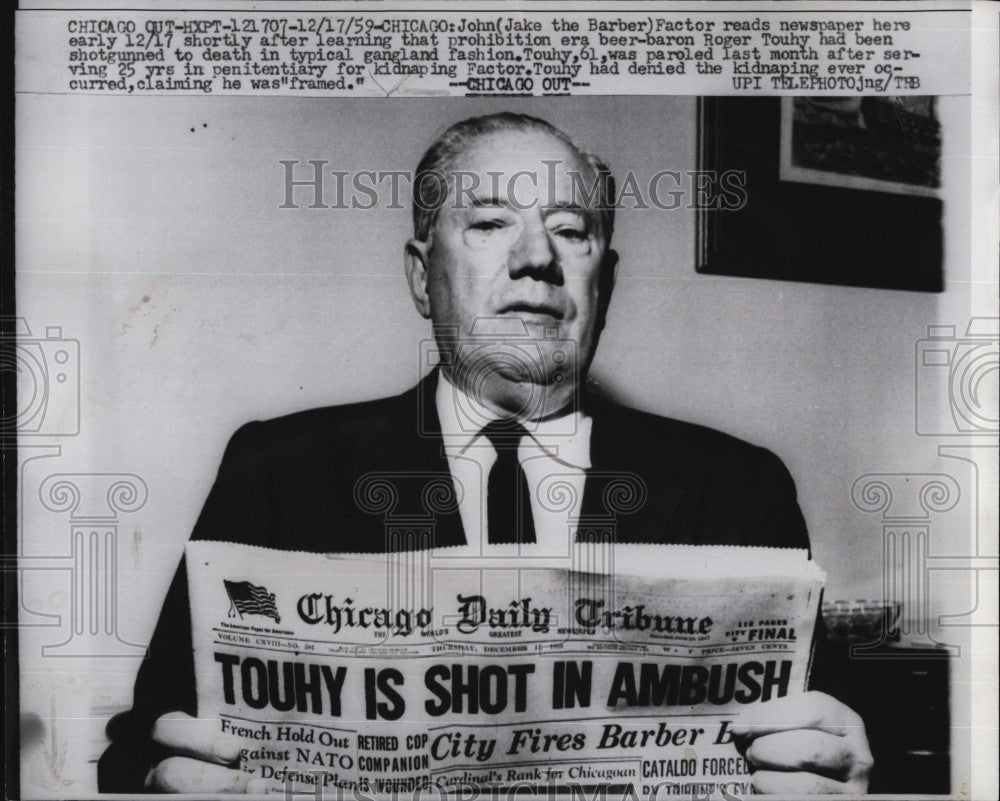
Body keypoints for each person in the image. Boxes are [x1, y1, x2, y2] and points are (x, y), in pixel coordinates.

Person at [98, 112, 872, 794]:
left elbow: (822, 746)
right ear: (420, 275)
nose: (538, 256)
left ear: (607, 281)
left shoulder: (740, 489)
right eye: (490, 222)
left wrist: (843, 773)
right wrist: (160, 777)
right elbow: (138, 748)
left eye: (572, 230)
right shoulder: (276, 471)